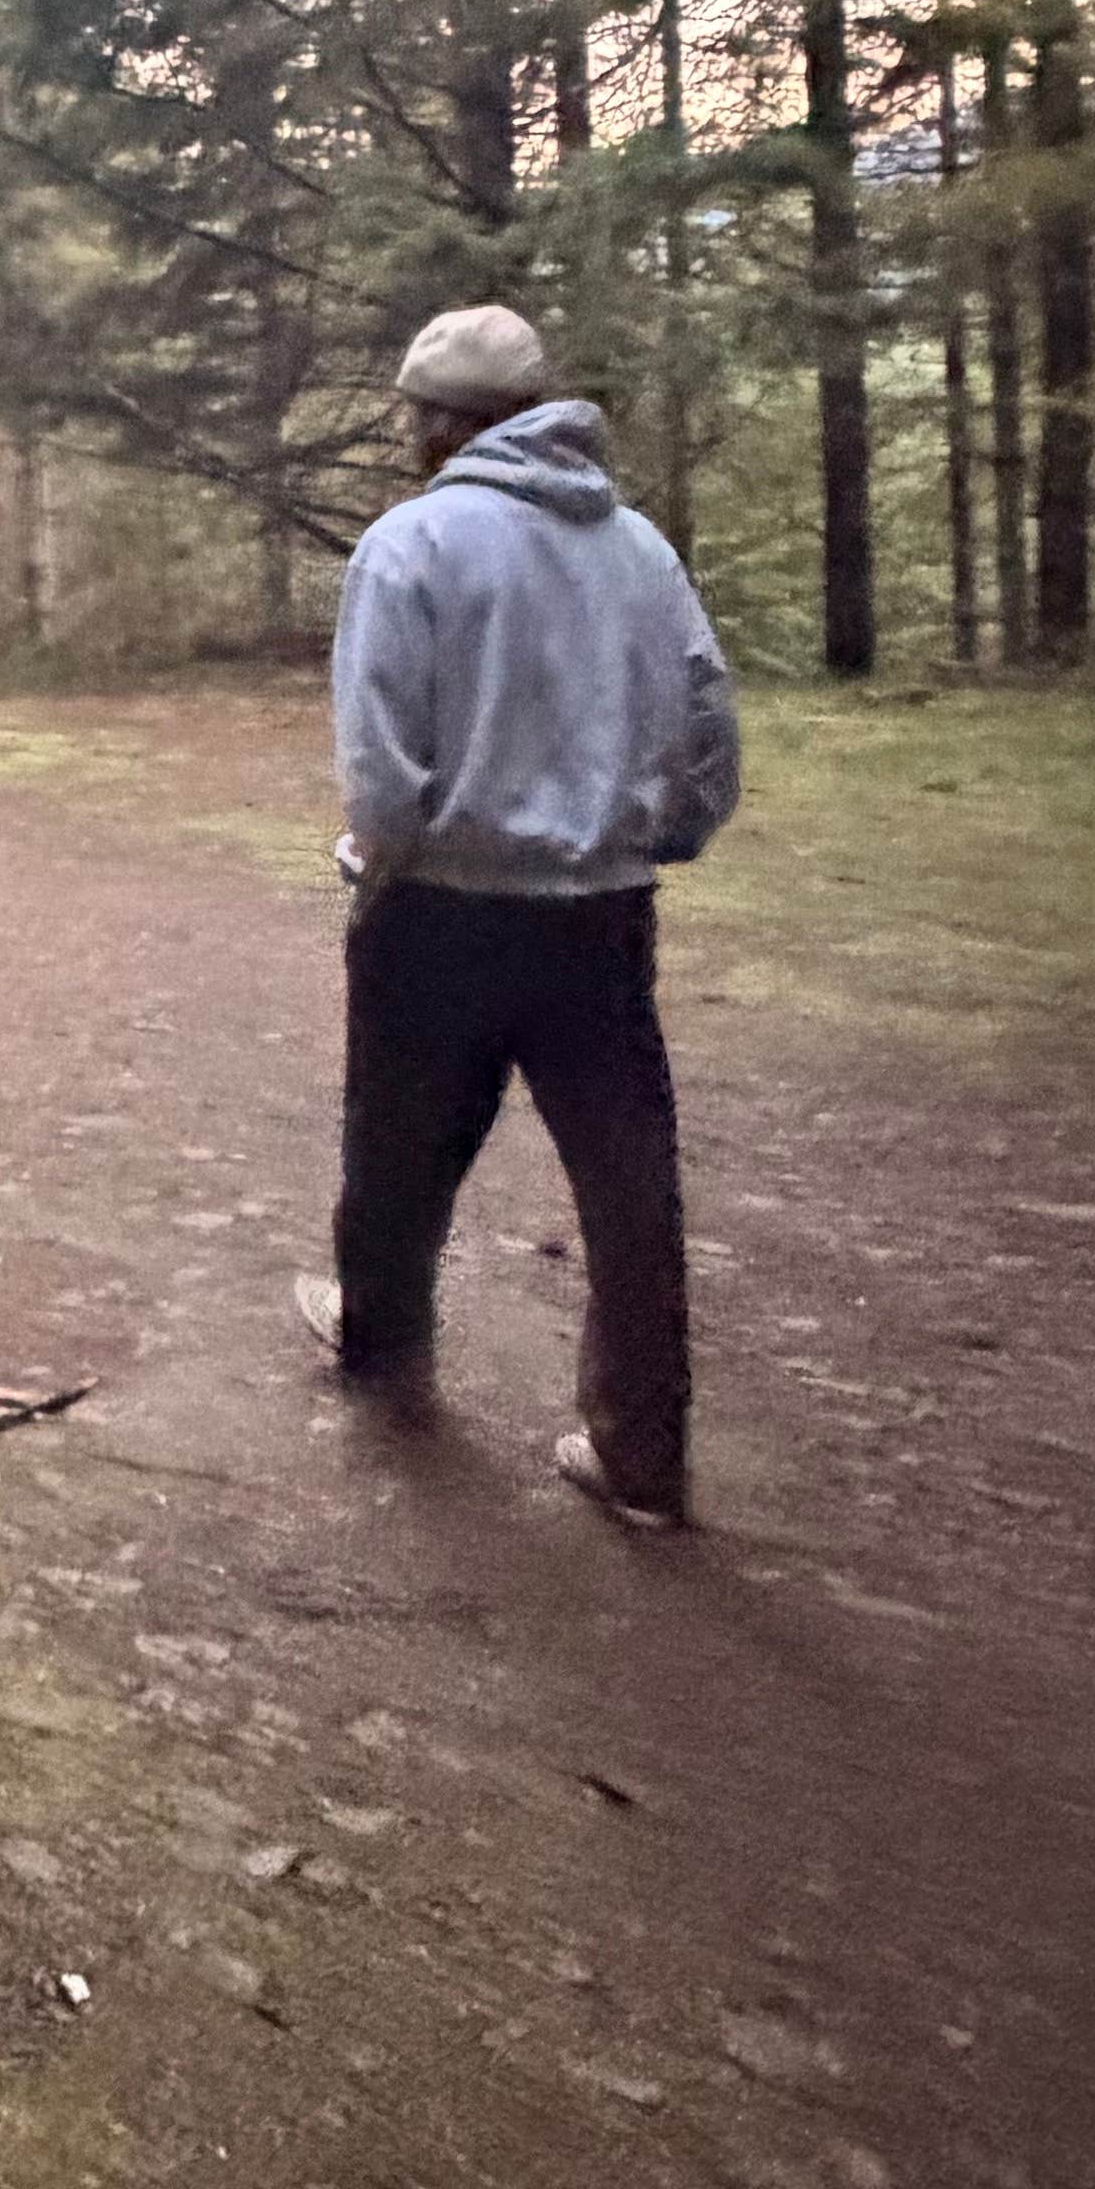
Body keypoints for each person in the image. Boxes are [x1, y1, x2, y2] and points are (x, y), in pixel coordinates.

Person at [293, 304, 741, 1527]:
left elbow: (381, 765)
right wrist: (660, 839)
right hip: (603, 916)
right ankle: (643, 1453)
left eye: (412, 414)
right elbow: (707, 728)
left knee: (397, 1146)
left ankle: (384, 1355)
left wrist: (379, 859)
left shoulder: (410, 544)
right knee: (628, 1183)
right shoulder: (640, 550)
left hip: (440, 911)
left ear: (441, 423)